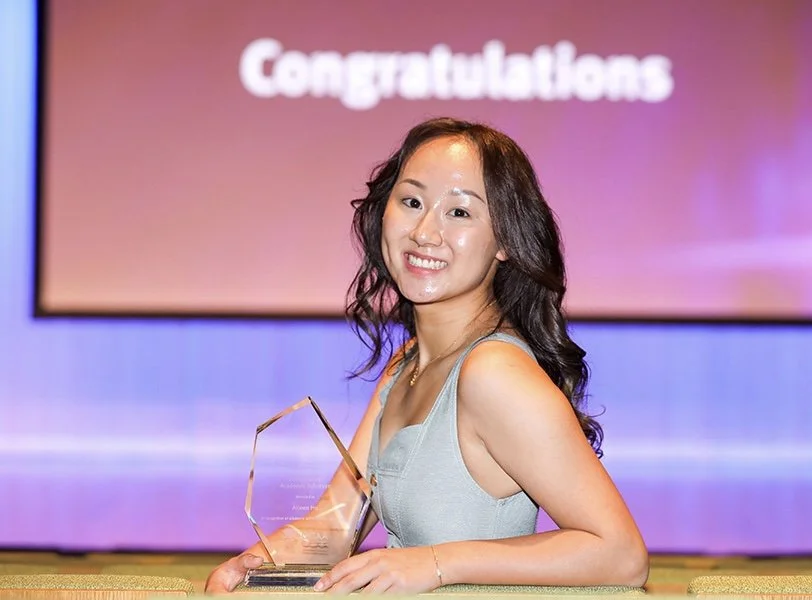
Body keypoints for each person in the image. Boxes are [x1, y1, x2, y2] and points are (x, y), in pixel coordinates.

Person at [205, 117, 648, 594]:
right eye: (412, 202)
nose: (424, 232)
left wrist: (436, 564)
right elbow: (334, 530)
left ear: (505, 240)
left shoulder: (493, 372)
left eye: (459, 213)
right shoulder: (407, 365)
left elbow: (620, 554)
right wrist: (249, 566)